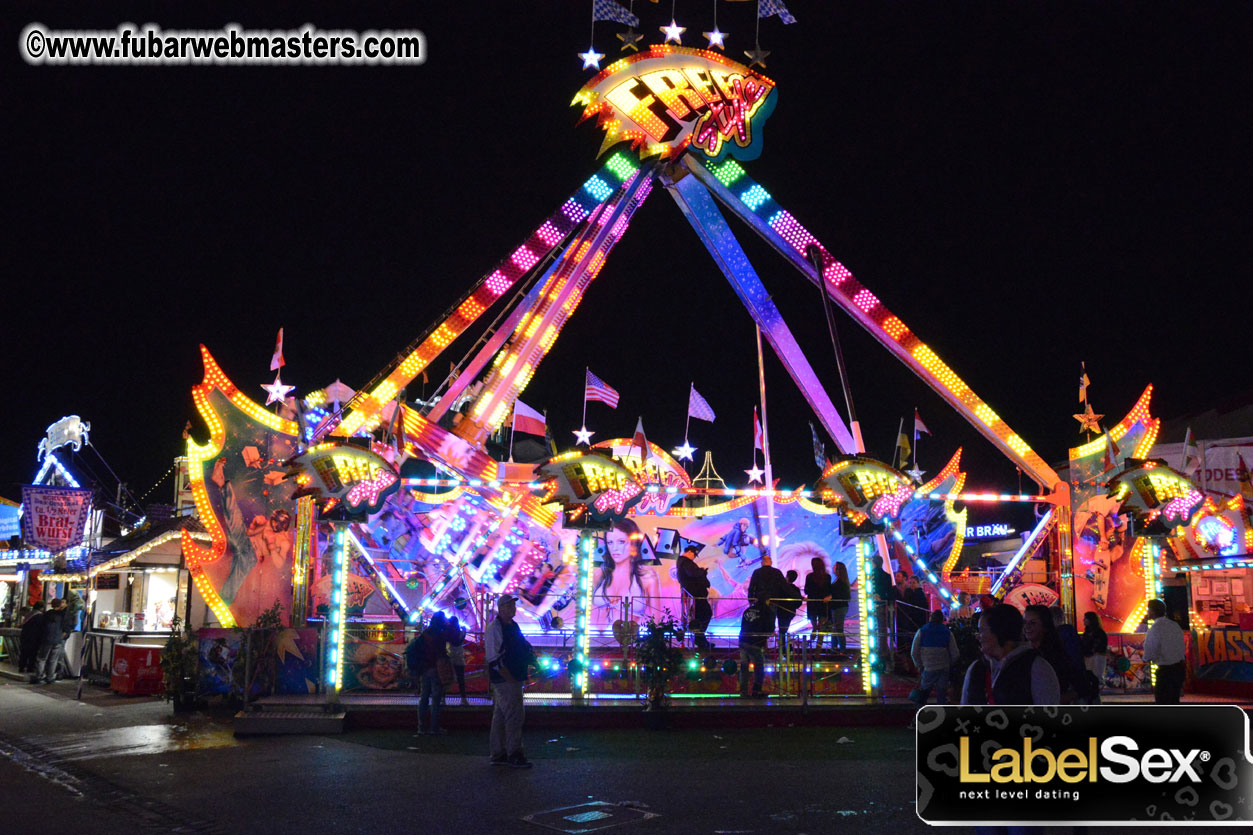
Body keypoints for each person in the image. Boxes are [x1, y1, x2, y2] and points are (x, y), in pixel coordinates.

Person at [961, 603, 1060, 705]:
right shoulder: (976, 668)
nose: (978, 637)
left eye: (982, 631)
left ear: (999, 631)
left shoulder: (1036, 668)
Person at [485, 595, 535, 767]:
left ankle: (498, 752)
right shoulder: (497, 628)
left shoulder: (510, 626)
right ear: (501, 608)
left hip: (509, 675)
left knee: (501, 715)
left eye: (513, 606)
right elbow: (494, 657)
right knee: (514, 715)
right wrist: (509, 677)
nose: (513, 609)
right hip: (506, 677)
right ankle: (514, 753)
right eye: (510, 606)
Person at [1022, 604, 1083, 703]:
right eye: (1025, 622)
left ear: (1045, 626)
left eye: (1032, 623)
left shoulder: (1055, 654)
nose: (1027, 627)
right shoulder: (1022, 652)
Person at [911, 610, 959, 708]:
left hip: (928, 667)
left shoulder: (922, 631)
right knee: (941, 696)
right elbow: (955, 654)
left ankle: (920, 713)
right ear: (942, 620)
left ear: (930, 618)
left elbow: (914, 652)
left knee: (923, 696)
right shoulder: (947, 633)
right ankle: (941, 714)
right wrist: (949, 664)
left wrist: (919, 665)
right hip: (943, 668)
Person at [1144, 598, 1186, 703]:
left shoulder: (1155, 628)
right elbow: (1181, 646)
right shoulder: (1174, 625)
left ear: (1152, 611)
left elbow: (1150, 651)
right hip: (1179, 668)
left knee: (1163, 701)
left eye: (1148, 610)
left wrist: (1146, 658)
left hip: (1165, 671)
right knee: (1174, 701)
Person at [676, 545, 712, 649]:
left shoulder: (682, 562)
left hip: (694, 595)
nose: (694, 557)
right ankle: (699, 638)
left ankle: (699, 638)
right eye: (694, 555)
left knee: (700, 616)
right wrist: (702, 572)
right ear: (690, 552)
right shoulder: (686, 562)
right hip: (696, 595)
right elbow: (693, 573)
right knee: (706, 613)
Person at [738, 597, 772, 698]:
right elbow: (768, 628)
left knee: (744, 667)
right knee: (759, 666)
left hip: (743, 639)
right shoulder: (765, 612)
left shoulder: (748, 610)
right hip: (755, 642)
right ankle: (757, 690)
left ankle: (743, 691)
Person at [34, 598, 67, 685]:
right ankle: (50, 677)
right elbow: (65, 627)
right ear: (60, 605)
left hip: (46, 639)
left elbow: (41, 626)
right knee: (53, 660)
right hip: (57, 640)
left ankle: (39, 677)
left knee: (42, 658)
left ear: (52, 605)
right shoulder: (62, 615)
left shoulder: (47, 614)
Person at [803, 556, 831, 650]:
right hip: (823, 603)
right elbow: (828, 590)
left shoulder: (809, 576)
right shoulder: (827, 577)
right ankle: (818, 651)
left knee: (815, 626)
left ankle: (810, 643)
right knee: (821, 629)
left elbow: (806, 590)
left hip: (812, 603)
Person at [1080, 611, 1108, 703]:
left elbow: (1094, 646)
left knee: (1094, 678)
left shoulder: (1095, 633)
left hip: (1095, 658)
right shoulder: (1092, 632)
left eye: (1085, 618)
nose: (1083, 620)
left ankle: (1094, 697)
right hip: (1093, 658)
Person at [776, 570, 802, 656]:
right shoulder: (796, 589)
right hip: (790, 612)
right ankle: (786, 648)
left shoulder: (781, 588)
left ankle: (783, 650)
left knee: (782, 630)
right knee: (784, 630)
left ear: (787, 577)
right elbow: (799, 602)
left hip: (781, 611)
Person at [18, 602, 45, 675]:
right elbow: (41, 628)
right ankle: (30, 668)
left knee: (24, 653)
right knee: (32, 654)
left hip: (25, 637)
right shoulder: (39, 616)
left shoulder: (29, 615)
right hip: (34, 638)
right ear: (41, 608)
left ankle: (21, 667)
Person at [829, 562, 851, 654]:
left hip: (839, 607)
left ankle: (842, 649)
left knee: (838, 628)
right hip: (839, 606)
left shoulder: (840, 582)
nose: (833, 569)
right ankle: (835, 648)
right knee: (836, 628)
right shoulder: (841, 581)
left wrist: (831, 597)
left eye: (835, 567)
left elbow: (839, 595)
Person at [447, 616, 468, 703]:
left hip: (450, 657)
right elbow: (461, 639)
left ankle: (443, 698)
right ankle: (463, 698)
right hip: (459, 657)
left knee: (447, 678)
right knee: (461, 679)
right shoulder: (461, 633)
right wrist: (464, 629)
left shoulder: (448, 633)